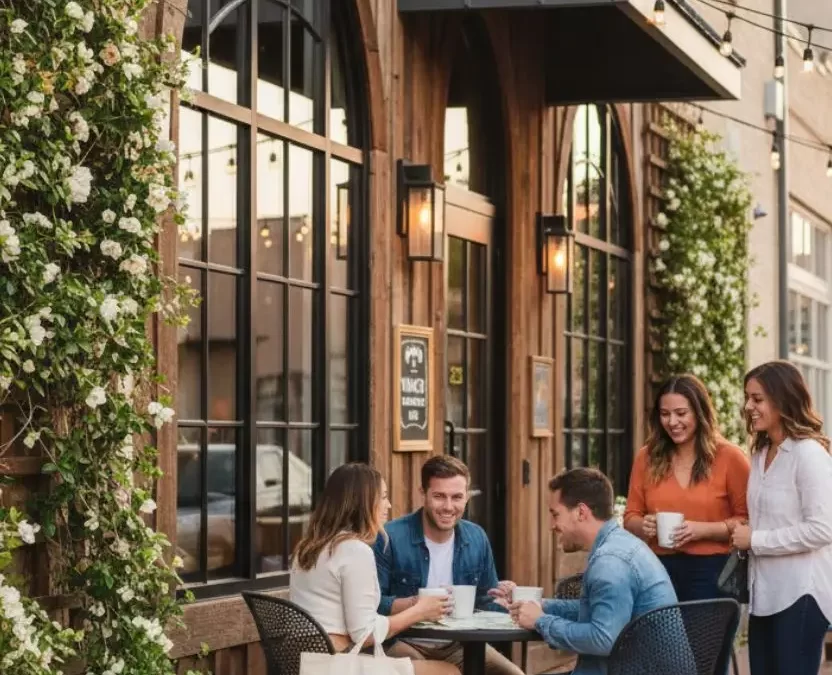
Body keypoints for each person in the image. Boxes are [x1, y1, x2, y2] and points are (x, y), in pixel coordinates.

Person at [499, 468, 678, 675]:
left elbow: (603, 639)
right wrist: (541, 606)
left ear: (581, 512)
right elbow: (598, 612)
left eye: (555, 514)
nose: (552, 525)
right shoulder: (621, 546)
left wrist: (541, 621)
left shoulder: (611, 563)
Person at [290, 463, 458, 675]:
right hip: (340, 665)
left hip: (310, 663)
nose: (388, 505)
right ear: (362, 503)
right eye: (384, 497)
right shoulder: (354, 550)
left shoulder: (307, 548)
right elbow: (365, 633)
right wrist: (419, 611)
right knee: (448, 672)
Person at [374, 455, 523, 675]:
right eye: (439, 496)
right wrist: (417, 604)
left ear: (467, 498)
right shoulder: (389, 537)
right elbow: (375, 604)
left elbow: (485, 600)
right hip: (404, 642)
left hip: (460, 645)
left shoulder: (477, 537)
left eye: (457, 497)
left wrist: (508, 601)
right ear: (422, 493)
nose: (448, 506)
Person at [731, 361, 832, 675]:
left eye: (757, 399)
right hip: (764, 597)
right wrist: (747, 529)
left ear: (782, 398)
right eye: (748, 398)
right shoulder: (761, 455)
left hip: (799, 595)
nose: (749, 406)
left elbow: (823, 529)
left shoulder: (809, 455)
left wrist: (756, 540)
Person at [623, 374, 750, 601]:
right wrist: (645, 526)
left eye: (681, 413)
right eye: (665, 414)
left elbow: (746, 519)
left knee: (704, 638)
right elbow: (630, 516)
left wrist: (701, 530)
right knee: (662, 637)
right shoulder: (647, 457)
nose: (672, 422)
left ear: (700, 413)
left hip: (714, 571)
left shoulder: (730, 458)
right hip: (657, 569)